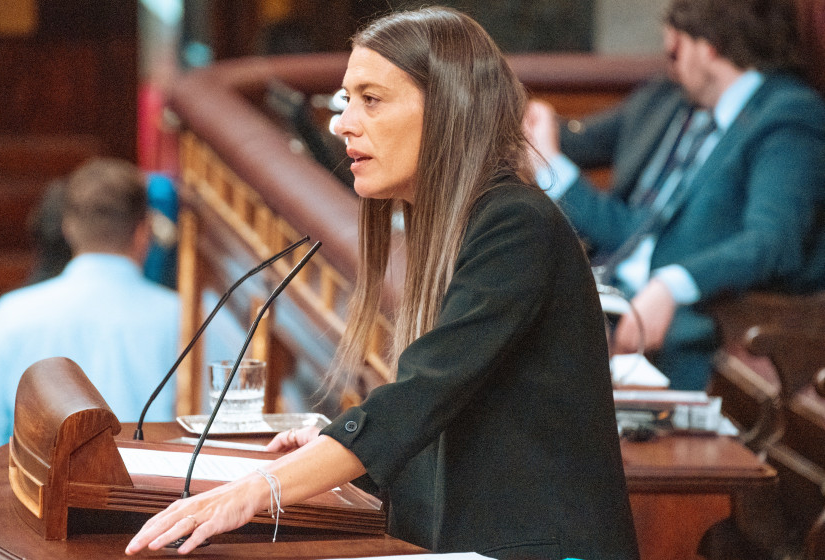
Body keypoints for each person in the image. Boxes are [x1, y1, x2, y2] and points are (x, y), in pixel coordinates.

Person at [126, 7, 639, 560]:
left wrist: (260, 488)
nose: (344, 123)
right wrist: (333, 451)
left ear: (448, 110)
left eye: (371, 100)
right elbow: (452, 422)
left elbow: (424, 396)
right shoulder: (452, 222)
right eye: (346, 100)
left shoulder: (515, 224)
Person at [524, 0, 825, 390]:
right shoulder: (676, 99)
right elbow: (579, 139)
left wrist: (671, 285)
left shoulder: (790, 115)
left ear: (709, 48)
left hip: (697, 316)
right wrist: (525, 118)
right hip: (614, 287)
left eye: (675, 52)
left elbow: (772, 242)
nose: (670, 67)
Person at [0, 157, 236, 486]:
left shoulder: (10, 317)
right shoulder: (196, 321)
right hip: (163, 514)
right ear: (144, 232)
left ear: (68, 229)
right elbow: (229, 448)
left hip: (38, 516)